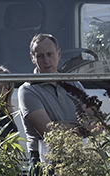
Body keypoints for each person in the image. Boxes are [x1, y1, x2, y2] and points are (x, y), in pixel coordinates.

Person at [18, 33, 82, 164]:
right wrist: (82, 127)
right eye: (40, 56)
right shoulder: (27, 90)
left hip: (77, 157)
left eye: (49, 54)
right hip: (45, 162)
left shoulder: (74, 84)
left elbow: (96, 121)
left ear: (59, 54)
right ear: (32, 58)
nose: (46, 60)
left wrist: (61, 125)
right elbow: (49, 132)